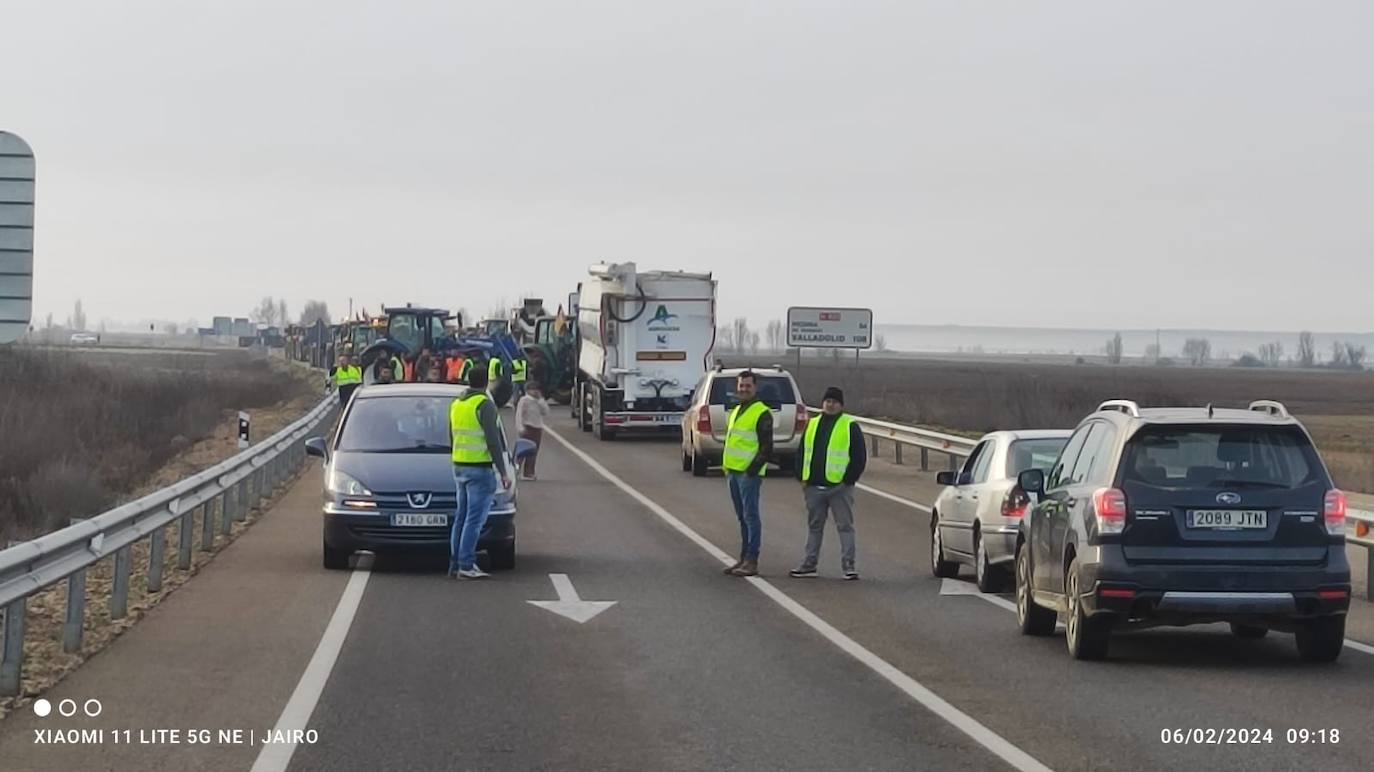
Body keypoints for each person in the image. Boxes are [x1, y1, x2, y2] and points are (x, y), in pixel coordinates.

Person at [789, 387, 867, 581]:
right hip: (814, 487)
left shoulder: (849, 425)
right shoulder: (812, 424)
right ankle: (809, 564)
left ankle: (849, 566)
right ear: (822, 403)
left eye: (834, 401)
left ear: (841, 405)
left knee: (845, 527)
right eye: (827, 401)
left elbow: (859, 457)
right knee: (814, 527)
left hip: (839, 488)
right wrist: (801, 477)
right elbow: (801, 452)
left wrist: (848, 480)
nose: (830, 404)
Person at [448, 367, 511, 579]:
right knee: (474, 520)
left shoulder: (457, 404)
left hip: (459, 465)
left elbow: (452, 435)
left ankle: (455, 562)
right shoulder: (485, 405)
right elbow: (493, 441)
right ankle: (466, 564)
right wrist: (503, 471)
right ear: (486, 383)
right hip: (480, 468)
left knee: (461, 517)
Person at [721, 370, 772, 577]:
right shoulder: (736, 410)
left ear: (755, 387)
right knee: (742, 517)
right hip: (733, 471)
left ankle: (752, 560)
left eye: (747, 386)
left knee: (751, 516)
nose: (743, 389)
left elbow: (767, 446)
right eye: (741, 385)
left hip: (748, 474)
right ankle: (743, 558)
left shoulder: (762, 412)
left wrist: (752, 470)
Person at [514, 382, 550, 480]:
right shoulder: (524, 400)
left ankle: (529, 472)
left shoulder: (538, 401)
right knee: (523, 450)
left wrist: (541, 400)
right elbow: (519, 415)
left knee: (533, 452)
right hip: (527, 427)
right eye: (532, 389)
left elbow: (546, 411)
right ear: (528, 390)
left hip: (537, 428)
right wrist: (520, 428)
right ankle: (515, 470)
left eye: (536, 390)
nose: (535, 392)